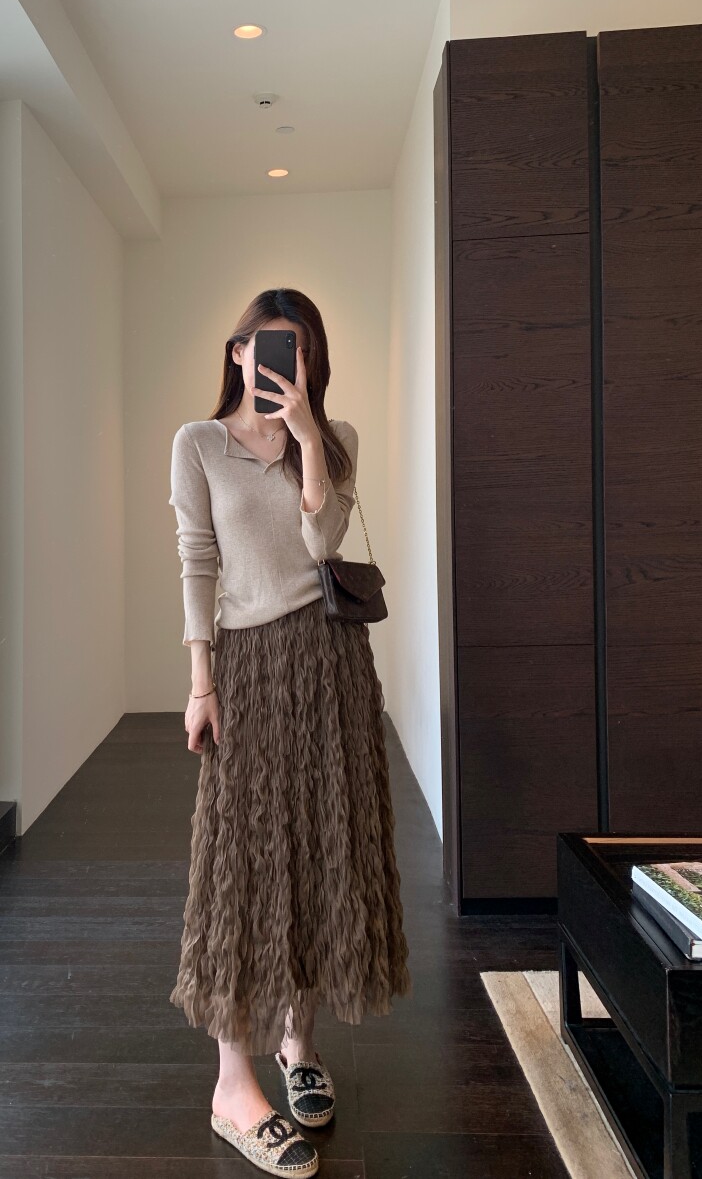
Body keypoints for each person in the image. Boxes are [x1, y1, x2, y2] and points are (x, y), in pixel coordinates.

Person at [167, 287, 412, 1176]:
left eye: (298, 350)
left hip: (331, 663)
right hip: (246, 663)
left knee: (320, 847)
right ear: (238, 351)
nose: (281, 362)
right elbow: (198, 559)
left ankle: (297, 1043)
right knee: (238, 862)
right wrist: (200, 681)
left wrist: (307, 435)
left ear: (312, 362)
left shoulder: (334, 439)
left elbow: (321, 544)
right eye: (268, 346)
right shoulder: (199, 443)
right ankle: (232, 1083)